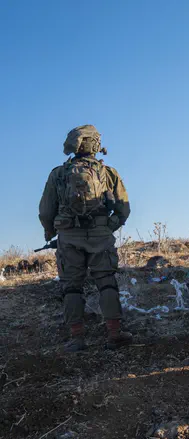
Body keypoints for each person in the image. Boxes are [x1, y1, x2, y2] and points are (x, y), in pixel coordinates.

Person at [38, 125, 132, 352]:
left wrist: (52, 233)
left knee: (72, 287)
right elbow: (124, 209)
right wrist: (109, 225)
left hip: (69, 236)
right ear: (95, 145)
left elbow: (45, 211)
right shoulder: (109, 173)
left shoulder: (58, 174)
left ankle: (77, 339)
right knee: (107, 283)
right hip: (100, 234)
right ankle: (114, 334)